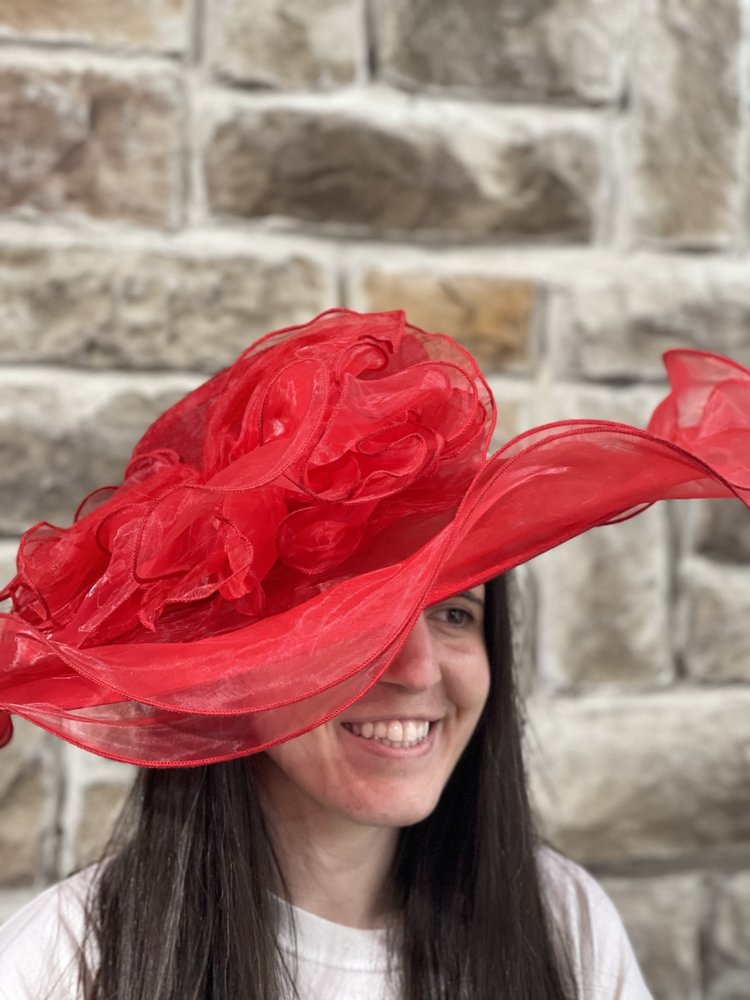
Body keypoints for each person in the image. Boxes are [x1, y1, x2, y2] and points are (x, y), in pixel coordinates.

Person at [0, 309, 747, 999]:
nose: (419, 670)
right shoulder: (64, 963)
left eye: (454, 613)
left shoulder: (566, 924)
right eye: (356, 618)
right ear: (232, 660)